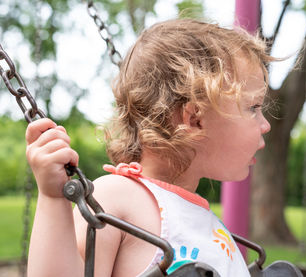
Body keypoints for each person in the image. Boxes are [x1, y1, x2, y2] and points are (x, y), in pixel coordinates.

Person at [25, 18, 272, 277]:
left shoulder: (203, 219)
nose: (265, 125)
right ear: (194, 119)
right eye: (253, 108)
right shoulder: (120, 196)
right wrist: (53, 198)